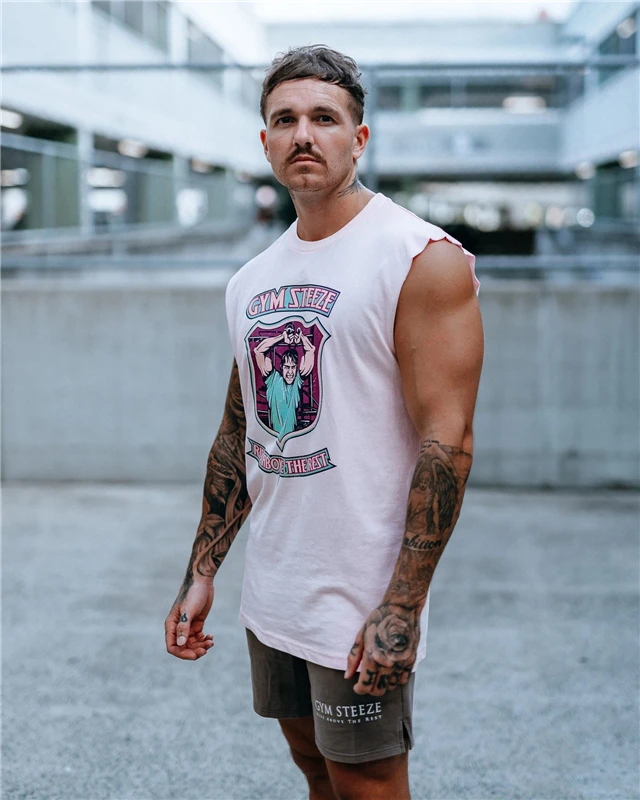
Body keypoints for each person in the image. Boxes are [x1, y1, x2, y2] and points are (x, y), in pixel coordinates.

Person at [165, 44, 484, 800]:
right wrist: (202, 571)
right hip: (275, 589)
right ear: (265, 142)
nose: (303, 134)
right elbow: (239, 433)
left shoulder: (419, 258)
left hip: (359, 594)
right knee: (314, 769)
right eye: (285, 120)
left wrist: (400, 606)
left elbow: (448, 443)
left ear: (359, 137)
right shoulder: (253, 279)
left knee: (367, 783)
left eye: (324, 118)